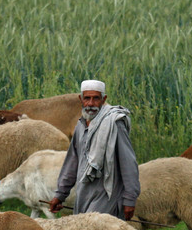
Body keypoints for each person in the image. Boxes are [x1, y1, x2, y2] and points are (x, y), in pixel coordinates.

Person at [49, 80, 140, 221]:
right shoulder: (80, 125)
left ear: (104, 100)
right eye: (87, 98)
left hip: (107, 195)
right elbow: (72, 163)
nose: (91, 103)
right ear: (81, 99)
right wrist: (60, 195)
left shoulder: (114, 123)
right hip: (83, 194)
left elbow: (128, 162)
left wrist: (129, 199)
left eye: (96, 98)